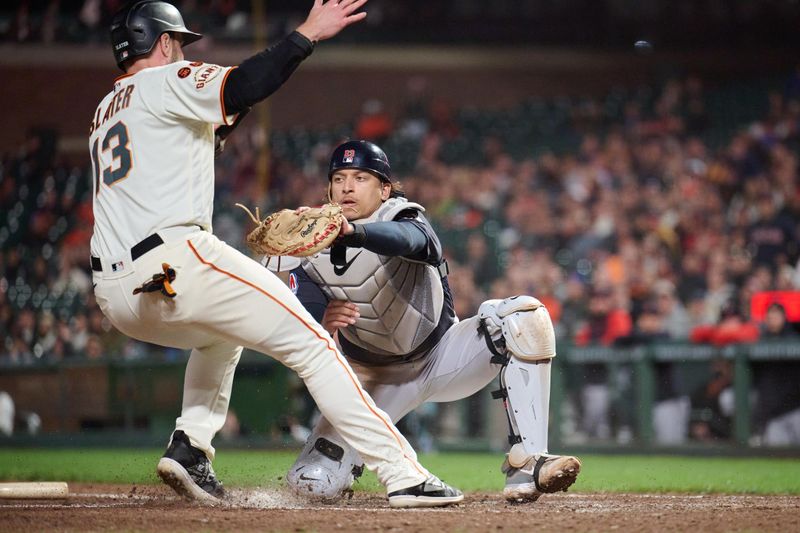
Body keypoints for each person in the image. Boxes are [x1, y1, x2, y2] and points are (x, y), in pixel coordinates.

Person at [90, 0, 462, 508]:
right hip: (177, 260)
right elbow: (243, 85)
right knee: (314, 345)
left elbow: (212, 122)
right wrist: (306, 34)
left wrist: (226, 120)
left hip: (116, 295)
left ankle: (190, 446)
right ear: (161, 43)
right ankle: (402, 473)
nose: (182, 51)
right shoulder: (167, 80)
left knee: (223, 335)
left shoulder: (106, 110)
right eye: (178, 42)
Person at [265, 140, 581, 503]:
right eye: (339, 178)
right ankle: (351, 463)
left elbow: (417, 242)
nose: (348, 186)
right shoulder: (308, 240)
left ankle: (528, 463)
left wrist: (354, 233)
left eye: (360, 177)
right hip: (372, 381)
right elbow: (293, 311)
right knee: (311, 484)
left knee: (523, 315)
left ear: (384, 189)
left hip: (443, 356)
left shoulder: (402, 215)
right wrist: (319, 314)